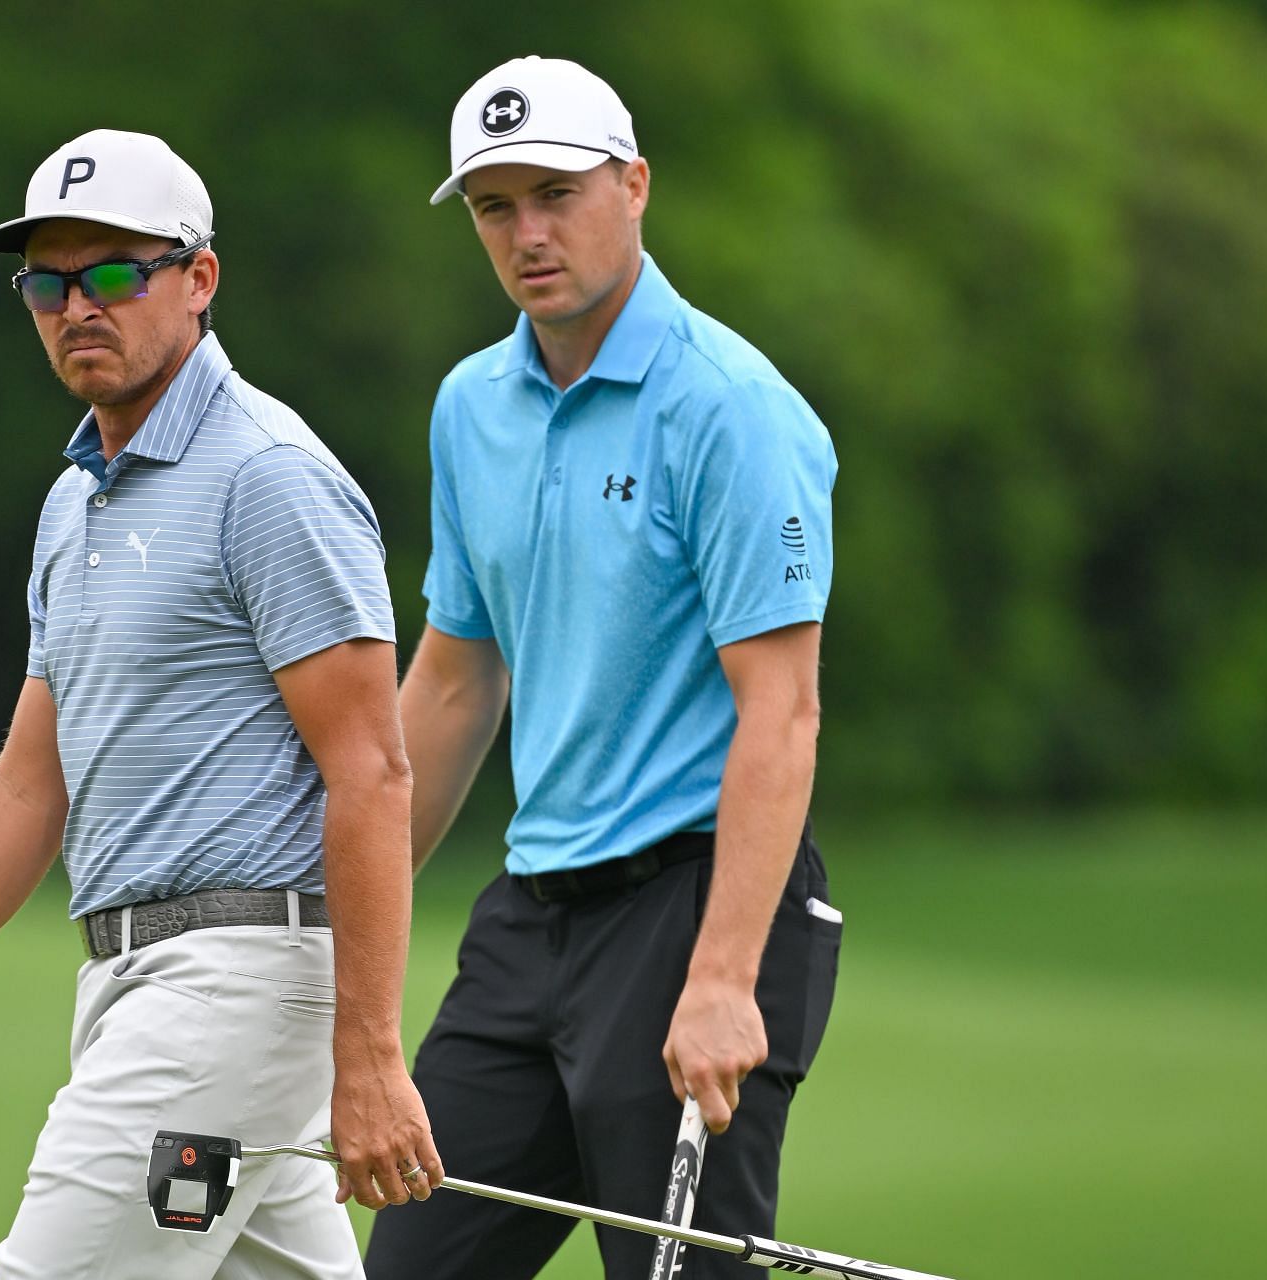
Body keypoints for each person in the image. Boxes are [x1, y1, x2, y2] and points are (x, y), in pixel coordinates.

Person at [0, 129, 440, 1280]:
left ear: (200, 279)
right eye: (49, 281)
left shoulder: (269, 476)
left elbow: (373, 770)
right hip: (131, 980)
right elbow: (29, 786)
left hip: (228, 995)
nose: (78, 304)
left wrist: (372, 1052)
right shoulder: (71, 503)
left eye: (117, 272)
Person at [363, 58, 842, 1279]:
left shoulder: (731, 408)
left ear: (634, 186)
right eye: (494, 205)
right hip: (531, 920)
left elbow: (780, 714)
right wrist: (338, 914)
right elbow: (458, 682)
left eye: (557, 194)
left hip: (696, 913)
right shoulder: (472, 405)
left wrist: (725, 978)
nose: (528, 233)